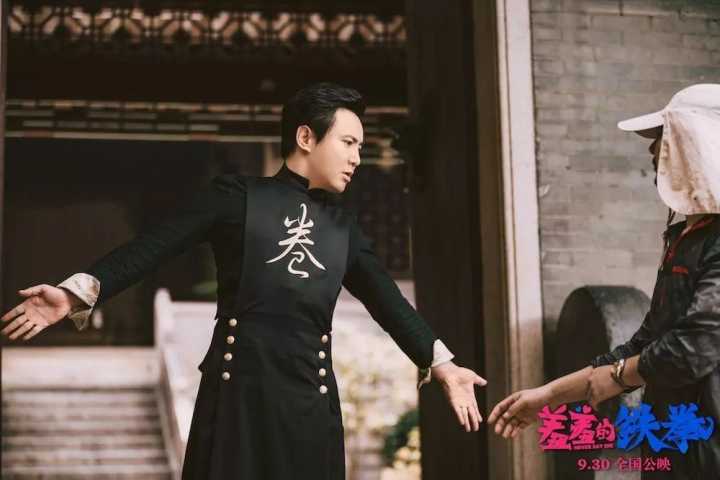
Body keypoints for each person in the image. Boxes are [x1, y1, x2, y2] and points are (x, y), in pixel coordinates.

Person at [1, 83, 487, 480]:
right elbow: (152, 247)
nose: (358, 157)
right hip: (236, 401)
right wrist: (76, 292)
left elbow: (388, 302)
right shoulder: (236, 197)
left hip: (310, 407)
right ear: (306, 137)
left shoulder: (344, 229)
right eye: (348, 143)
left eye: (360, 146)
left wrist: (442, 364)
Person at [488, 83, 720, 477]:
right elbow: (645, 343)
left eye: (665, 139)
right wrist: (547, 396)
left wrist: (618, 377)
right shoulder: (685, 238)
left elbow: (695, 346)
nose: (653, 151)